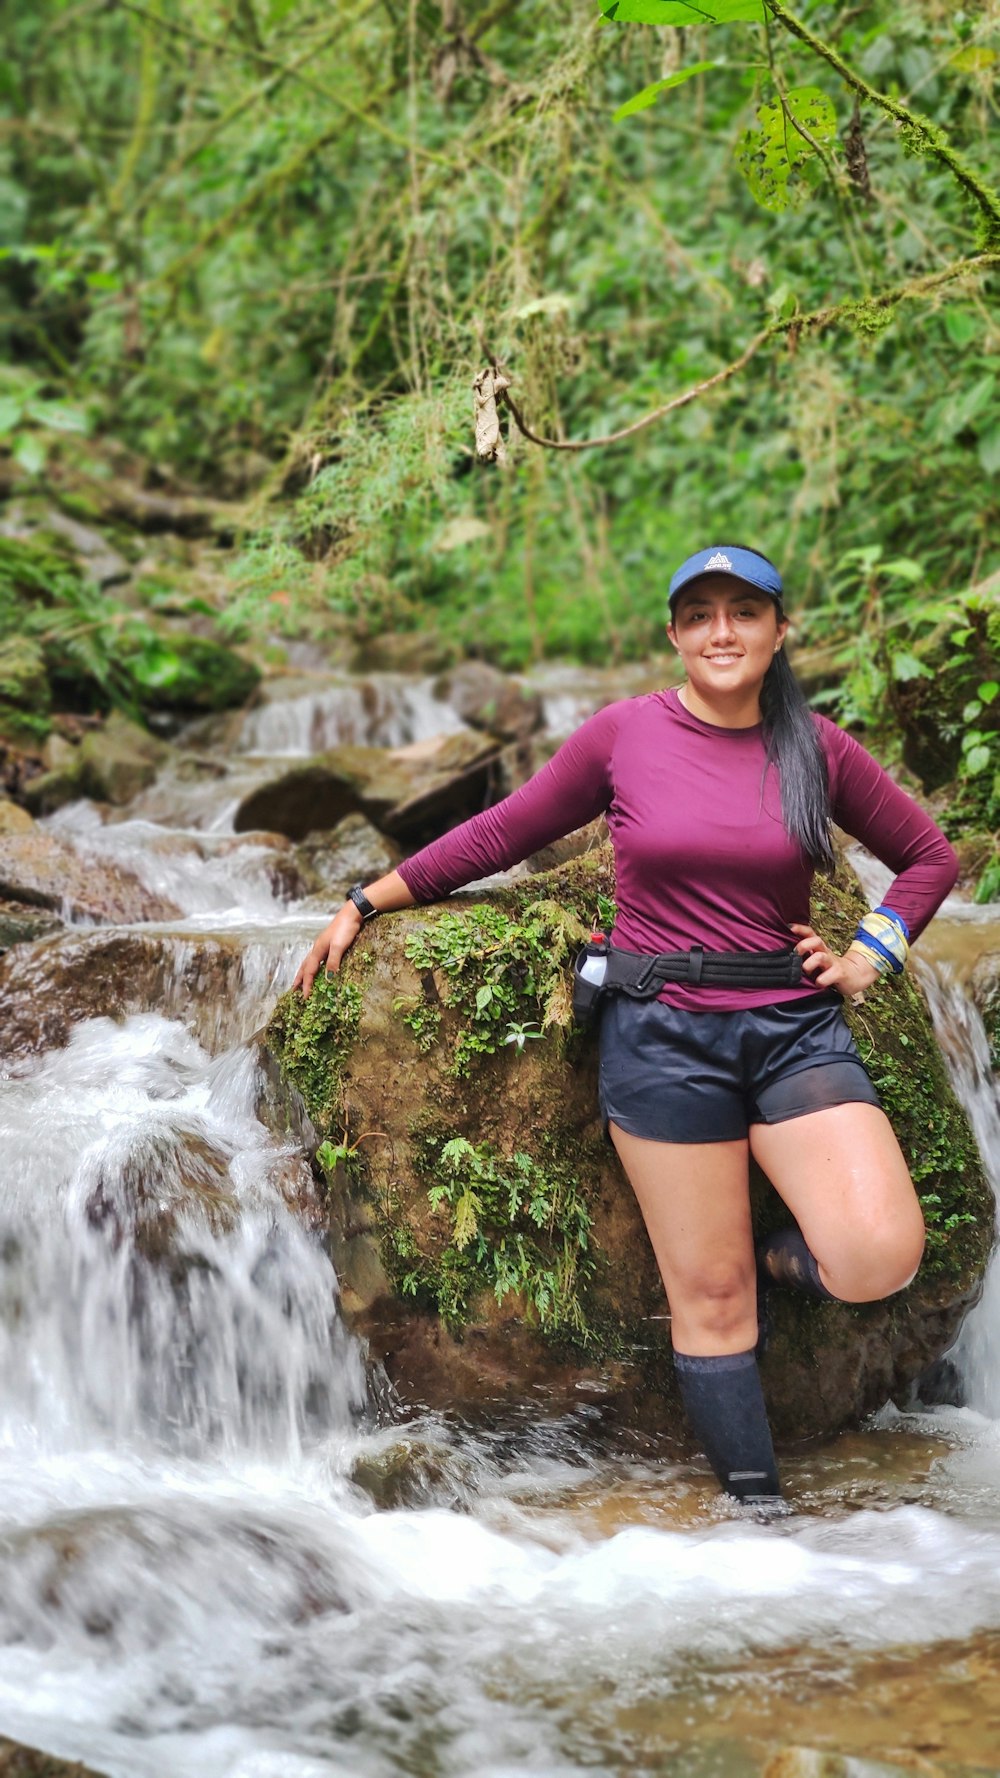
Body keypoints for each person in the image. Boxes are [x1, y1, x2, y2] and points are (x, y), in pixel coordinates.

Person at [294, 544, 958, 1511]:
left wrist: (869, 956)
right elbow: (502, 832)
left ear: (779, 631)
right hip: (661, 1032)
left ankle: (783, 1254)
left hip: (790, 1026)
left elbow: (928, 857)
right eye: (700, 615)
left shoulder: (817, 748)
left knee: (878, 1254)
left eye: (744, 612)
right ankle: (762, 1516)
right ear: (675, 636)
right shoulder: (625, 736)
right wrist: (366, 898)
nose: (721, 632)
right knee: (712, 1299)